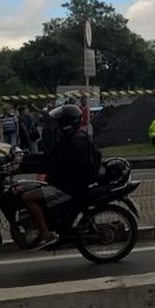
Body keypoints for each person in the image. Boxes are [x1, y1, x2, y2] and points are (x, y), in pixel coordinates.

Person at [18, 104, 100, 248]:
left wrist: (21, 167)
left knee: (28, 197)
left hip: (69, 187)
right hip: (65, 182)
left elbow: (51, 163)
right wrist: (23, 159)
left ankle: (45, 234)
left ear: (67, 122)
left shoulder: (74, 142)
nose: (57, 123)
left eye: (60, 120)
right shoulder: (71, 136)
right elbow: (49, 155)